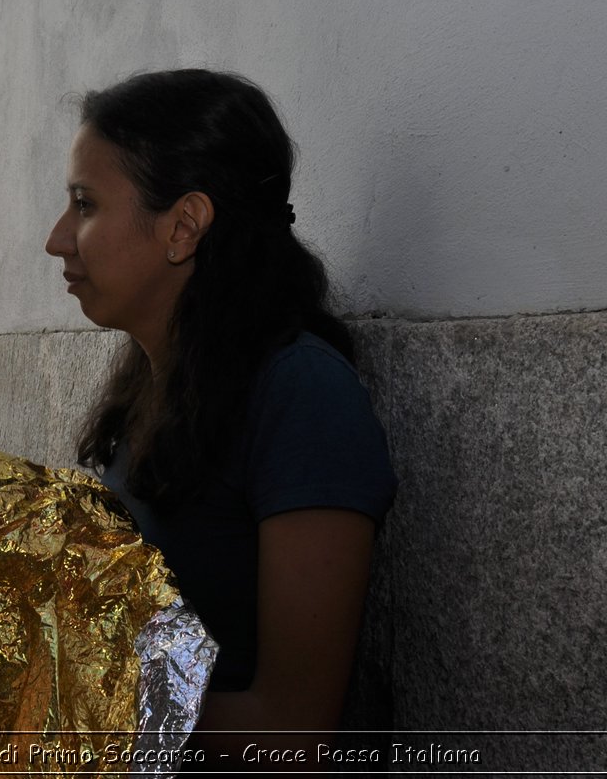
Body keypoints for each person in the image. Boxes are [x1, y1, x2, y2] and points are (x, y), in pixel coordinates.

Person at [43, 68, 396, 765]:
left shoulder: (303, 396)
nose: (58, 239)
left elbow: (293, 731)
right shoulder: (155, 381)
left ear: (183, 226)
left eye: (85, 204)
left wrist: (73, 700)